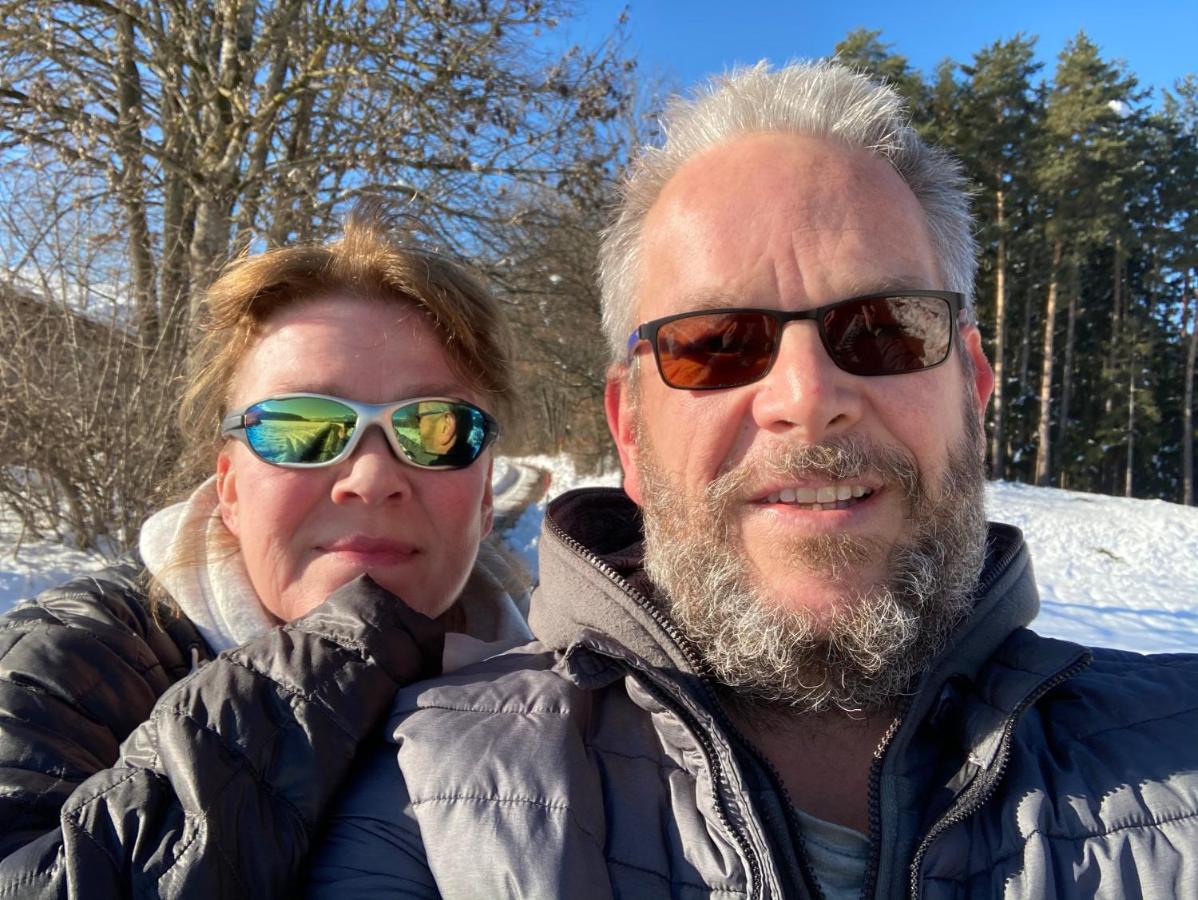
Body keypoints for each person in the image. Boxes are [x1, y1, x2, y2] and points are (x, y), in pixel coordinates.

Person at [308, 61, 1198, 898]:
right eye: (716, 344)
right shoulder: (426, 802)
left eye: (883, 328)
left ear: (972, 388)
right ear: (629, 431)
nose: (807, 399)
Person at [0, 207, 530, 896]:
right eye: (302, 426)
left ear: (485, 495)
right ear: (229, 489)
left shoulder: (580, 701)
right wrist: (323, 677)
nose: (372, 477)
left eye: (435, 428)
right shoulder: (74, 665)